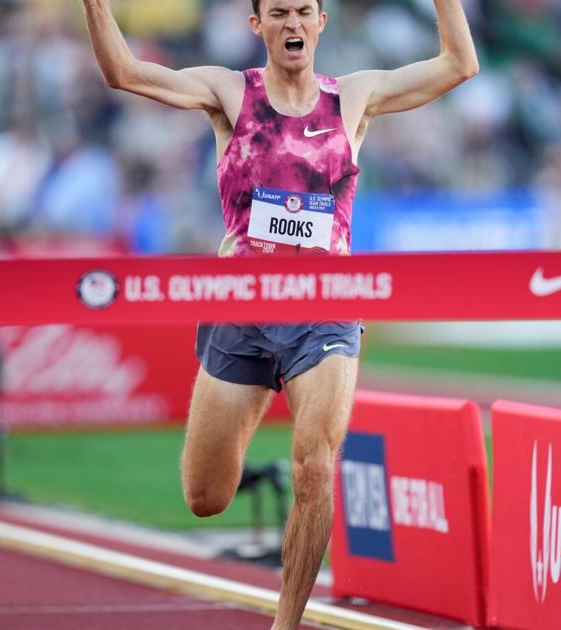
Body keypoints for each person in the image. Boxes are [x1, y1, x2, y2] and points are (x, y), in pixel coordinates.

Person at [81, 0, 477, 627]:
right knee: (205, 495)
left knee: (317, 463)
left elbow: (459, 63)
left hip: (325, 307)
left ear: (322, 23)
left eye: (303, 11)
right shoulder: (229, 94)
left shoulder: (352, 97)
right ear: (257, 25)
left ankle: (286, 624)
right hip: (240, 304)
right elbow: (125, 73)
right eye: (278, 13)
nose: (292, 23)